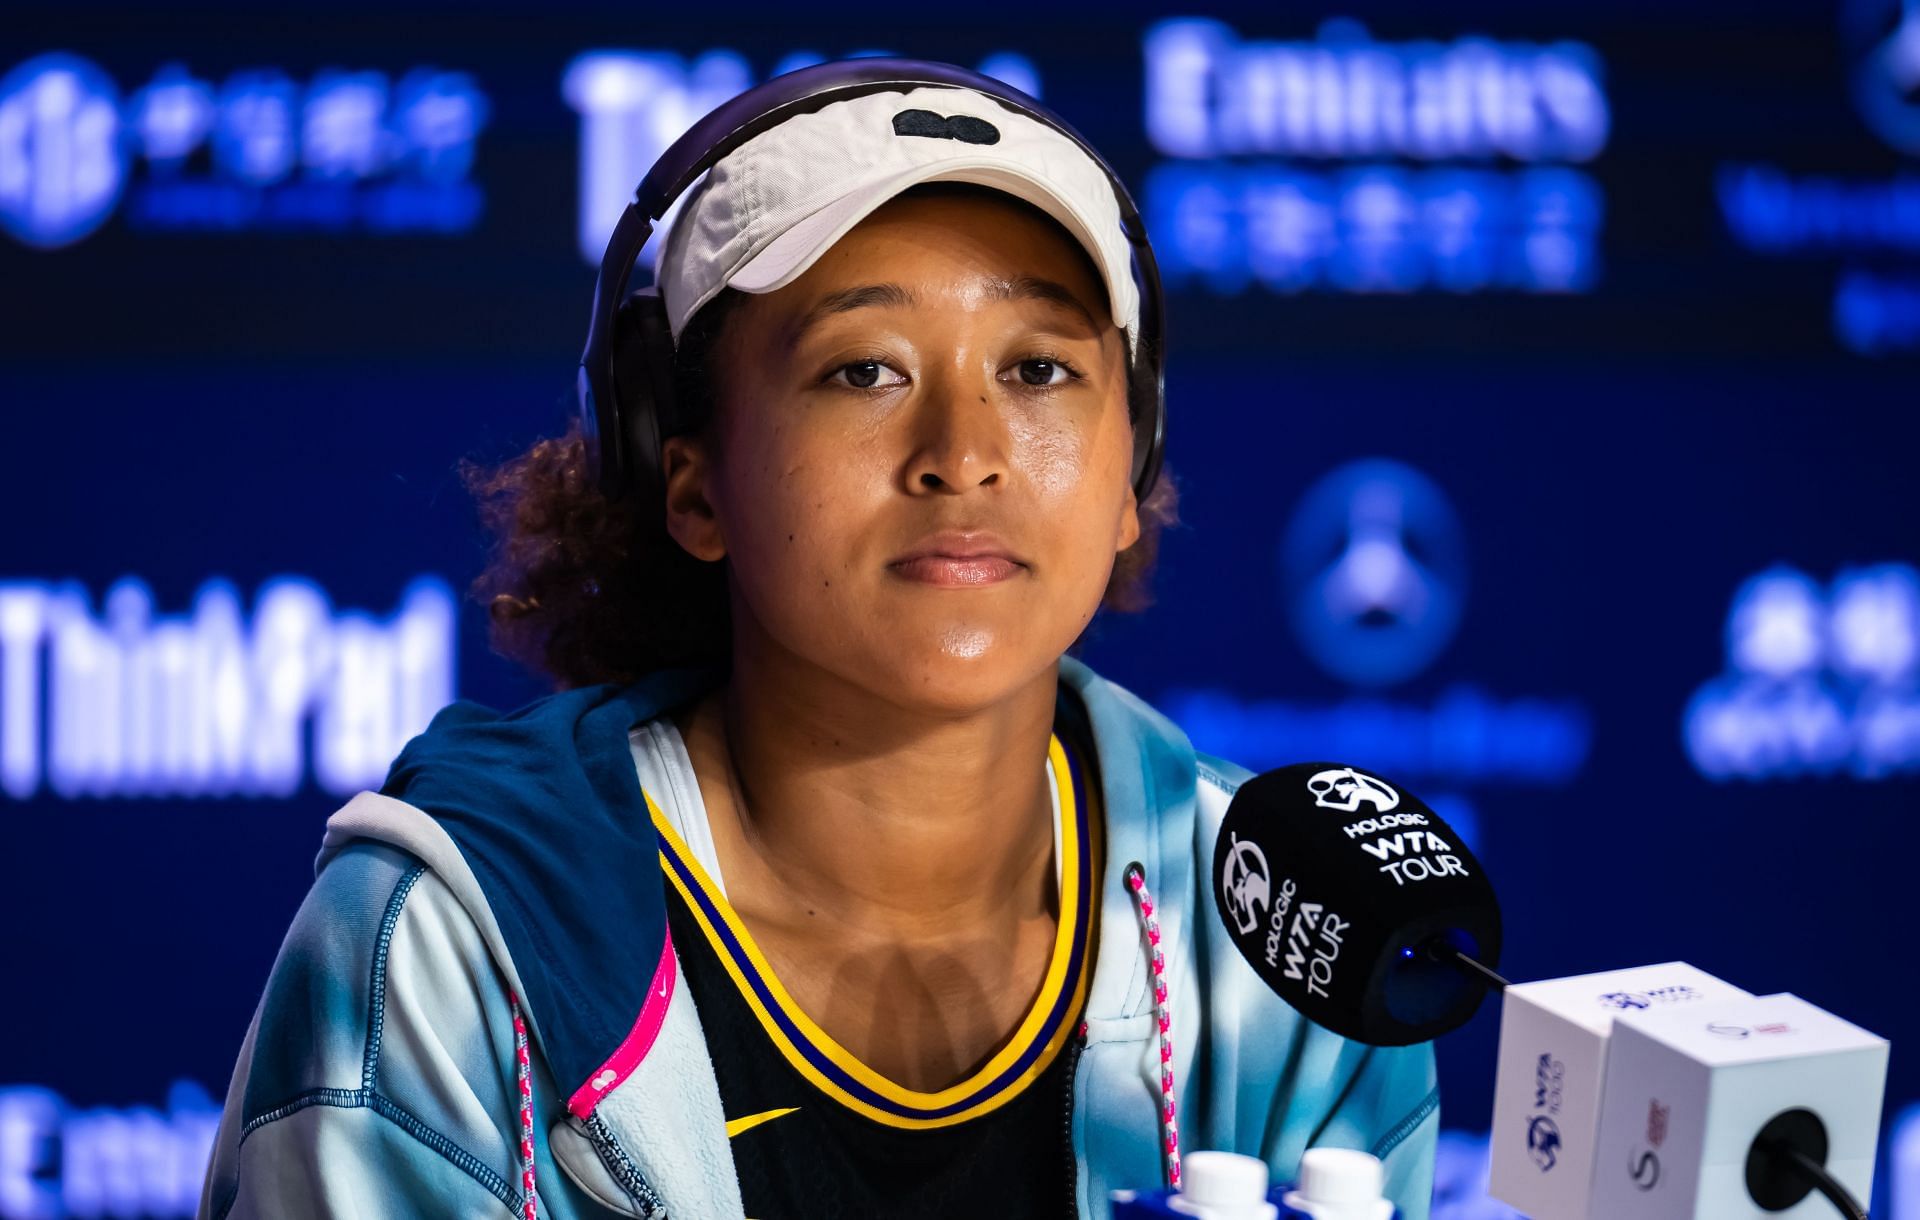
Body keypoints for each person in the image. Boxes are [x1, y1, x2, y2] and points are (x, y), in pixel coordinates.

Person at [196, 65, 1439, 1220]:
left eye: (1041, 368)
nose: (966, 450)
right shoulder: (444, 950)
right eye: (864, 371)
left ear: (1133, 468)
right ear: (688, 483)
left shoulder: (1290, 925)